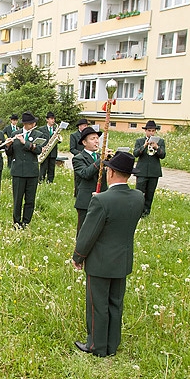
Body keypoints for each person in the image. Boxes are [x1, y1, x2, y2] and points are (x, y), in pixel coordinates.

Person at [72, 152, 144, 357]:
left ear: (110, 172)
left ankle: (96, 345)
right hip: (122, 259)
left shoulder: (102, 201)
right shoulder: (138, 197)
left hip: (100, 261)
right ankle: (112, 344)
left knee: (97, 305)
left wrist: (78, 256)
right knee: (115, 303)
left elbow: (88, 234)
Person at [5, 112, 44, 229]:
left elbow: (38, 150)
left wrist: (25, 142)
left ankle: (26, 222)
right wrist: (8, 145)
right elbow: (10, 154)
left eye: (33, 123)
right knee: (17, 199)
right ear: (25, 124)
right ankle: (16, 222)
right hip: (18, 171)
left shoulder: (38, 134)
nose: (33, 125)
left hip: (32, 171)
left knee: (30, 199)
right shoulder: (15, 133)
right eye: (31, 123)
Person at [72, 127, 111, 235]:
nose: (96, 141)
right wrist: (100, 161)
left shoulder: (100, 156)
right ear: (84, 142)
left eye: (97, 138)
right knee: (83, 231)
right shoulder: (78, 158)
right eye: (92, 138)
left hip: (102, 197)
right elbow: (85, 174)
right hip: (86, 200)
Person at [132, 120, 166, 217]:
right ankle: (137, 212)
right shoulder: (139, 141)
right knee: (139, 193)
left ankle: (146, 213)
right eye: (149, 130)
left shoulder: (160, 141)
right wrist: (144, 146)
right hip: (141, 171)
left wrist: (157, 148)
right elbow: (135, 154)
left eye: (153, 131)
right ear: (145, 131)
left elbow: (163, 155)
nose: (151, 133)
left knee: (150, 194)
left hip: (154, 172)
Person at [70, 118, 89, 197]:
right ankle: (77, 194)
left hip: (88, 159)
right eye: (84, 125)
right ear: (80, 126)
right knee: (78, 178)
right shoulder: (74, 135)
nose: (85, 127)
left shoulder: (88, 136)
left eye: (86, 125)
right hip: (79, 159)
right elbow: (72, 149)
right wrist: (81, 154)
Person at [38, 111, 59, 183]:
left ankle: (50, 182)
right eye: (51, 119)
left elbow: (58, 141)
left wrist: (57, 136)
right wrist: (41, 148)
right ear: (47, 120)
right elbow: (40, 140)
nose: (53, 120)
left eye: (54, 119)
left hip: (53, 152)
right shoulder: (41, 129)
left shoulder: (56, 129)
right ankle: (41, 181)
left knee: (51, 168)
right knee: (43, 168)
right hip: (45, 151)